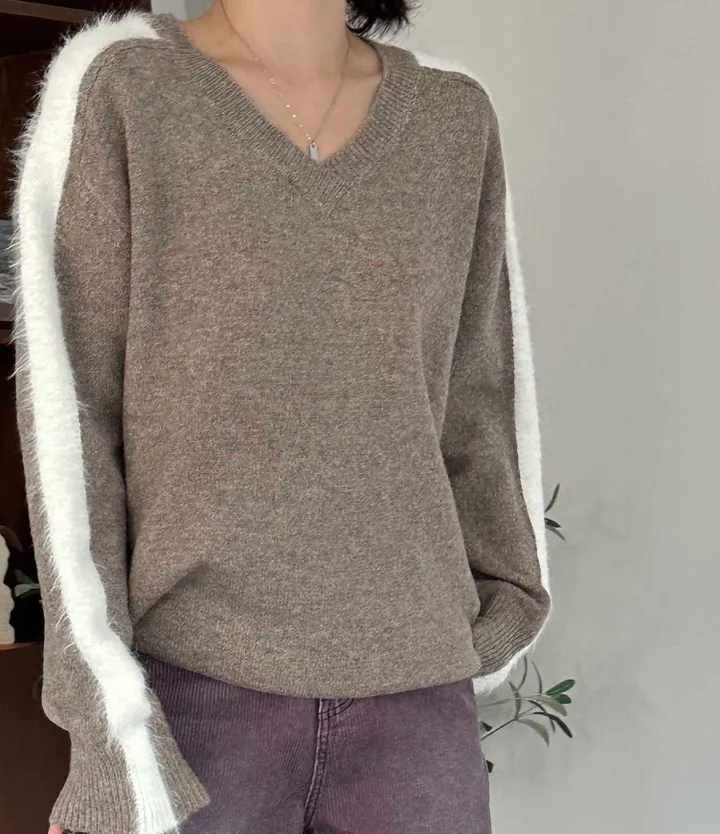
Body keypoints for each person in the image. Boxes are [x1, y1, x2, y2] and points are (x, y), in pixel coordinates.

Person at [10, 1, 552, 832]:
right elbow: (70, 425)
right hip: (194, 705)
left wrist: (501, 612)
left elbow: (480, 402)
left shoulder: (452, 118)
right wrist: (108, 731)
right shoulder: (125, 88)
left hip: (416, 709)